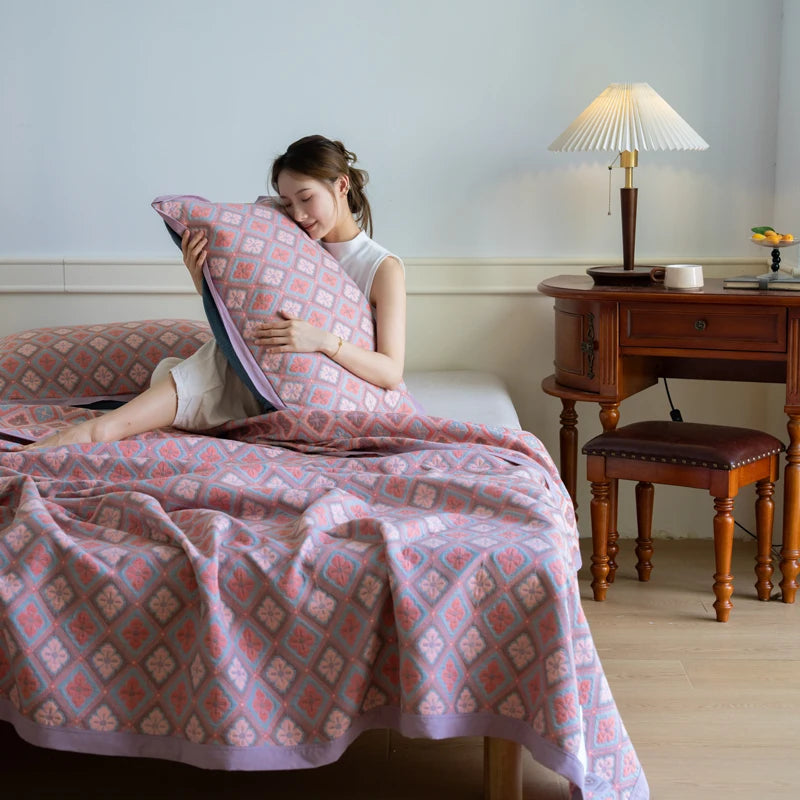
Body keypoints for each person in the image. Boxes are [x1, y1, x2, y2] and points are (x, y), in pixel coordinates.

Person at [23, 135, 407, 449]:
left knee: (200, 378)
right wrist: (201, 277)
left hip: (311, 388)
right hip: (252, 365)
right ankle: (103, 429)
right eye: (289, 204)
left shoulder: (382, 268)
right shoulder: (288, 240)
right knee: (208, 367)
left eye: (306, 199)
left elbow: (391, 371)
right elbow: (246, 312)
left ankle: (101, 430)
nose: (299, 215)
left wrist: (322, 341)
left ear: (341, 186)